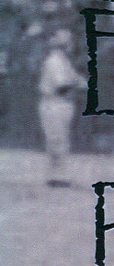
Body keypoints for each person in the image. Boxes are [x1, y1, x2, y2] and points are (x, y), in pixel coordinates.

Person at [37, 28, 85, 186]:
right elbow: (61, 86)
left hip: (62, 102)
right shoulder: (55, 61)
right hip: (54, 102)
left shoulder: (64, 61)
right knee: (56, 139)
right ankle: (57, 176)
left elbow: (77, 81)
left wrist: (79, 83)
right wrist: (77, 84)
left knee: (60, 139)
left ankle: (57, 175)